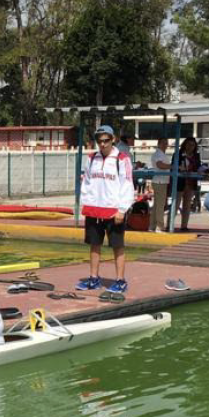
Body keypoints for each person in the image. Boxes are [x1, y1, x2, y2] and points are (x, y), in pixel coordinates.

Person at [76, 125, 135, 294]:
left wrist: (122, 210)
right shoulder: (91, 158)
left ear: (113, 139)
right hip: (94, 210)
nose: (102, 144)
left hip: (113, 210)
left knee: (118, 246)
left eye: (106, 140)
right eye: (99, 141)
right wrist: (86, 204)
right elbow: (86, 182)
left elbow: (127, 185)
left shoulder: (122, 159)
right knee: (94, 245)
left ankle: (120, 280)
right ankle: (94, 278)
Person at [175, 137, 200, 231]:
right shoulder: (178, 154)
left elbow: (198, 167)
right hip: (179, 183)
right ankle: (169, 224)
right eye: (188, 144)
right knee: (176, 205)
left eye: (193, 145)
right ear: (184, 145)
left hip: (191, 183)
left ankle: (184, 226)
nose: (190, 147)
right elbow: (174, 166)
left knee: (187, 206)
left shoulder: (196, 156)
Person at [149, 138, 172, 232]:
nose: (165, 145)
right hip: (160, 182)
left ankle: (152, 226)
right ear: (158, 144)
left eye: (166, 143)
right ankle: (159, 226)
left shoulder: (160, 153)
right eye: (163, 143)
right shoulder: (159, 154)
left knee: (157, 205)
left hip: (160, 181)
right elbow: (160, 165)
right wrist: (173, 166)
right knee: (160, 205)